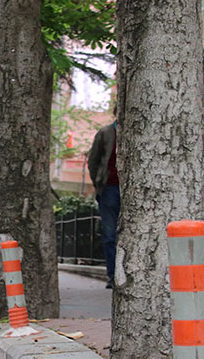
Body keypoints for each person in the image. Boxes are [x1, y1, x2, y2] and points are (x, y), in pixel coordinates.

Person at [88, 116, 119, 289]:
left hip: (131, 190)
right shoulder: (106, 133)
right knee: (109, 234)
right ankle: (113, 275)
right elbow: (93, 160)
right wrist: (99, 182)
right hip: (109, 189)